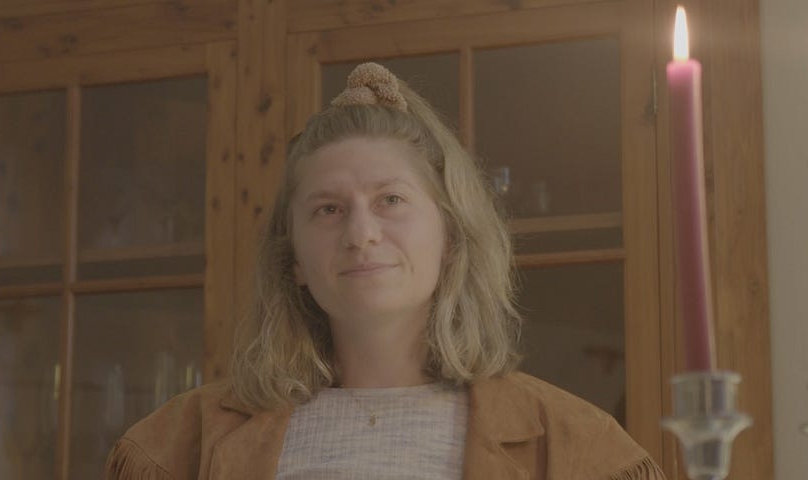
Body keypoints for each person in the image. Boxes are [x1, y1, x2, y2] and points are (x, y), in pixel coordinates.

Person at [105, 63, 664, 480]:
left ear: (449, 237)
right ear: (294, 260)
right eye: (328, 209)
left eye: (391, 200)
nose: (360, 233)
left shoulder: (578, 448)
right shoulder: (176, 447)